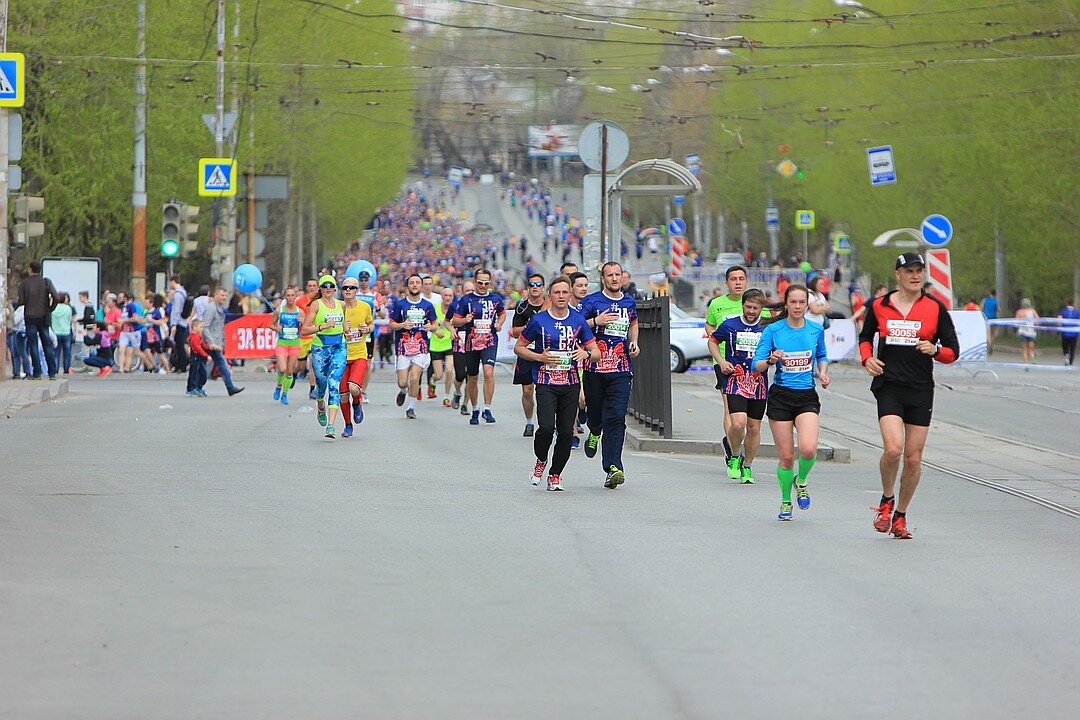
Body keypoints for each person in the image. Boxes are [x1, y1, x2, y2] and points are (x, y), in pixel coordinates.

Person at [859, 252, 960, 540]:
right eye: (909, 271)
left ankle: (900, 516)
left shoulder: (935, 308)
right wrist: (867, 359)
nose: (915, 276)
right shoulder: (880, 305)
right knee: (893, 449)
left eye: (919, 271)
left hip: (919, 389)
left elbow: (953, 350)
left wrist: (935, 350)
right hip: (889, 384)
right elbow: (865, 338)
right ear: (898, 275)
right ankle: (886, 501)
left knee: (913, 459)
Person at [515, 276, 600, 491]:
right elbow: (519, 347)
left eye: (565, 292)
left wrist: (586, 353)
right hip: (545, 381)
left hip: (570, 383)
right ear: (549, 296)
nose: (561, 296)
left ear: (570, 294)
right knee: (545, 428)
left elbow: (596, 352)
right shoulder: (539, 320)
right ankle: (541, 460)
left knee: (565, 432)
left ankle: (555, 474)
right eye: (557, 293)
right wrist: (539, 358)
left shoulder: (578, 321)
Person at [753, 284, 830, 521]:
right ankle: (786, 502)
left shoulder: (816, 329)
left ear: (807, 304)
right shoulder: (774, 331)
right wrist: (770, 359)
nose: (797, 306)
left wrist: (824, 372)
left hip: (807, 395)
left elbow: (822, 355)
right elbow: (756, 364)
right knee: (786, 457)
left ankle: (802, 480)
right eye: (793, 302)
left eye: (801, 302)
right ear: (786, 304)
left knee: (808, 449)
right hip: (781, 397)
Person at [581, 262, 640, 489]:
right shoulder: (592, 301)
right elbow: (577, 326)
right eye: (610, 275)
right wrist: (596, 321)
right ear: (603, 278)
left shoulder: (629, 302)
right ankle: (594, 431)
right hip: (595, 369)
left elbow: (633, 322)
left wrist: (634, 342)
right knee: (596, 415)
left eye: (618, 275)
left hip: (621, 368)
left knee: (616, 417)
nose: (615, 279)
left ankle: (613, 467)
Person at [709, 289, 768, 485]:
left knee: (753, 428)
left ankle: (748, 466)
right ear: (743, 305)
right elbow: (713, 341)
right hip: (736, 381)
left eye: (756, 308)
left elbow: (776, 350)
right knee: (738, 423)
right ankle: (735, 455)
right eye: (748, 307)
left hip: (758, 384)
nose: (751, 311)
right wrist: (721, 362)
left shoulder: (767, 328)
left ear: (761, 309)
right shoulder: (730, 325)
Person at [705, 266, 749, 459]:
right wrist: (713, 336)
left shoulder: (754, 303)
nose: (737, 282)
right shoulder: (717, 304)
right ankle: (733, 450)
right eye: (733, 279)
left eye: (741, 279)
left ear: (746, 281)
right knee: (730, 407)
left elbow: (766, 324)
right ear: (727, 283)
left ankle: (732, 440)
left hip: (749, 362)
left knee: (746, 410)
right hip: (725, 361)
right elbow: (710, 323)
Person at [452, 268, 505, 425]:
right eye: (480, 282)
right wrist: (465, 320)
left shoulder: (495, 298)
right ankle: (475, 409)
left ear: (490, 283)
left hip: (489, 340)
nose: (483, 286)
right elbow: (455, 321)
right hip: (471, 342)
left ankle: (487, 408)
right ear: (475, 282)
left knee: (488, 372)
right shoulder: (466, 300)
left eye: (486, 283)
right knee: (473, 378)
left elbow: (502, 313)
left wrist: (499, 323)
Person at [302, 275, 347, 438]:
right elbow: (305, 330)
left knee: (334, 383)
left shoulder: (341, 305)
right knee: (321, 382)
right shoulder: (316, 305)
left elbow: (344, 324)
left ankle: (331, 425)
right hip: (320, 348)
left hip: (339, 347)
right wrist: (322, 326)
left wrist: (347, 328)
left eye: (331, 285)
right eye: (325, 285)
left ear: (335, 288)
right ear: (320, 288)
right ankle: (320, 404)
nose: (328, 288)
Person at [389, 274, 438, 419]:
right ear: (407, 286)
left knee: (415, 377)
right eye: (412, 283)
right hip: (403, 347)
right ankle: (403, 391)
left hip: (420, 347)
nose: (415, 285)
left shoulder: (427, 306)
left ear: (422, 286)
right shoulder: (400, 304)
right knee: (402, 382)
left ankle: (411, 407)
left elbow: (435, 325)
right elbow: (391, 324)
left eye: (417, 283)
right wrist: (402, 325)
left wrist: (431, 327)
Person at [511, 273, 547, 437]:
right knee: (527, 391)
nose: (535, 287)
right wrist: (529, 328)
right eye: (532, 284)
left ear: (543, 287)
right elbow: (514, 331)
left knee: (546, 390)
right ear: (528, 288)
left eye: (538, 284)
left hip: (546, 351)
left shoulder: (550, 305)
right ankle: (529, 422)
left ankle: (546, 423)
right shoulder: (522, 307)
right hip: (527, 352)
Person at [338, 277, 374, 435]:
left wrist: (368, 328)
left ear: (357, 290)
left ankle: (358, 403)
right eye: (345, 287)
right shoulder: (338, 308)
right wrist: (341, 328)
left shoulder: (365, 307)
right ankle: (348, 425)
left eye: (351, 288)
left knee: (353, 388)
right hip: (341, 356)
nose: (348, 290)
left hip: (359, 354)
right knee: (343, 395)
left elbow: (371, 323)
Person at [200, 287, 245, 397]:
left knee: (219, 363)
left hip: (216, 342)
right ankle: (197, 386)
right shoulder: (211, 308)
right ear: (216, 295)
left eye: (225, 296)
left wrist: (222, 342)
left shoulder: (219, 308)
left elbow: (219, 328)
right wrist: (211, 343)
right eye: (222, 295)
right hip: (209, 343)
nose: (224, 298)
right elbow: (205, 327)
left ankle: (229, 387)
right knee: (204, 364)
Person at [17, 261, 59, 379]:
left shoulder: (24, 283)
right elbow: (56, 296)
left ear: (30, 270)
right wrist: (50, 308)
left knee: (33, 344)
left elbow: (21, 301)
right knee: (47, 344)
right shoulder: (46, 282)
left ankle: (37, 372)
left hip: (30, 316)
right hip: (44, 316)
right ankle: (52, 372)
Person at [270, 285, 303, 405]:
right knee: (282, 369)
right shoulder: (280, 311)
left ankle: (285, 393)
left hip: (295, 344)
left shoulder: (300, 312)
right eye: (288, 295)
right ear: (285, 297)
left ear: (295, 297)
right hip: (282, 343)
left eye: (292, 295)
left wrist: (302, 322)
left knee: (290, 371)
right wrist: (276, 328)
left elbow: (305, 327)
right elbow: (271, 325)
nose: (290, 298)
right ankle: (279, 385)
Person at [354, 271, 384, 403]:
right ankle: (353, 388)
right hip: (354, 330)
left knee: (367, 363)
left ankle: (363, 391)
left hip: (369, 331)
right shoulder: (354, 292)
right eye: (362, 279)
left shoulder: (375, 295)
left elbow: (384, 313)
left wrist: (377, 309)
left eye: (366, 279)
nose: (364, 282)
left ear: (370, 281)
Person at [450, 279, 474, 414]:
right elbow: (448, 321)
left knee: (471, 376)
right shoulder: (456, 305)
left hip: (474, 343)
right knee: (460, 374)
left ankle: (465, 404)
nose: (470, 293)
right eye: (467, 291)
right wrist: (451, 329)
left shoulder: (478, 304)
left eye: (472, 290)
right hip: (459, 343)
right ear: (462, 292)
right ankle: (458, 392)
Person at [430, 286, 456, 406]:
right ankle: (432, 381)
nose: (448, 298)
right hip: (436, 344)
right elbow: (428, 324)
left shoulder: (455, 309)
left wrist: (453, 332)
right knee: (439, 375)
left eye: (450, 296)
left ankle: (446, 396)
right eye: (445, 295)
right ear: (442, 296)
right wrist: (436, 332)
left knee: (450, 370)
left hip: (449, 343)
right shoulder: (435, 308)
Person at [295, 278, 320, 400]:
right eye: (310, 285)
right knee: (300, 366)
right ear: (306, 287)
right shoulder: (300, 301)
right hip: (303, 337)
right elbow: (294, 313)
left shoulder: (320, 300)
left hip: (314, 336)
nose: (312, 288)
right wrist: (299, 318)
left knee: (312, 363)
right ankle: (294, 373)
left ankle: (312, 389)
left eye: (314, 286)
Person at [169, 275, 190, 373]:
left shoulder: (178, 294)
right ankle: (180, 365)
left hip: (179, 322)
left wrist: (174, 324)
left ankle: (182, 365)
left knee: (179, 345)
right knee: (179, 345)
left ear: (173, 281)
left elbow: (176, 310)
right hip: (183, 321)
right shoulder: (183, 292)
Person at [51, 292, 75, 375]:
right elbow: (70, 320)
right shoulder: (68, 308)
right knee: (67, 352)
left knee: (56, 352)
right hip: (66, 332)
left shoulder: (53, 308)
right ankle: (66, 369)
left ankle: (55, 369)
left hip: (55, 332)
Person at [185, 319, 210, 397]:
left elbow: (202, 345)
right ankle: (191, 389)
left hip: (198, 358)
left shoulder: (197, 336)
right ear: (194, 327)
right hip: (195, 357)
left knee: (202, 373)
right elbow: (198, 348)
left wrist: (209, 347)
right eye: (200, 327)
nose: (202, 329)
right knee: (193, 373)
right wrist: (206, 355)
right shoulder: (194, 337)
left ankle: (198, 387)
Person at [1015, 298, 1039, 364]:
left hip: (1023, 332)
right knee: (1031, 349)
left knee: (1024, 350)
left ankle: (1026, 364)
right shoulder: (1033, 311)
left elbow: (1016, 323)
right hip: (1032, 332)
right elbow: (1038, 321)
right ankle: (1032, 357)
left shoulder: (1019, 312)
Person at [1058, 299, 1079, 366]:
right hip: (1074, 333)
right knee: (1072, 348)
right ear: (1073, 304)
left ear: (1067, 303)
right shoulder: (1077, 312)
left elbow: (1059, 320)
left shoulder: (1063, 311)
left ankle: (1066, 354)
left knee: (1065, 346)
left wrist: (1059, 328)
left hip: (1065, 332)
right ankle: (1070, 363)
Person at [981, 289, 998, 354]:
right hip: (994, 318)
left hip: (986, 318)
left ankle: (989, 343)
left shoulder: (984, 300)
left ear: (990, 293)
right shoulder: (995, 301)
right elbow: (998, 309)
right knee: (993, 334)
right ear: (995, 294)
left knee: (988, 333)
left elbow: (981, 308)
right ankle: (991, 345)